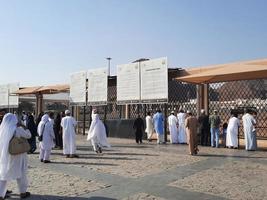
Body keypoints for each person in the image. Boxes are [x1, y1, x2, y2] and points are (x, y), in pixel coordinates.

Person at [0, 113, 31, 199]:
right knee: (21, 173)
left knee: (3, 173)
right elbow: (29, 135)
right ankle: (22, 192)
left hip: (6, 155)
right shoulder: (17, 129)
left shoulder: (2, 130)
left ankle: (0, 194)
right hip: (18, 154)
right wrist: (23, 126)